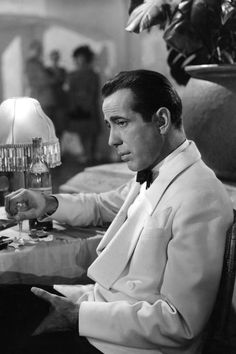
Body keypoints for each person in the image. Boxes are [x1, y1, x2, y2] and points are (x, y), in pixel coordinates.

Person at [4, 70, 233, 354]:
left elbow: (180, 323)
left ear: (161, 120)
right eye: (109, 125)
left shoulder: (200, 196)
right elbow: (102, 204)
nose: (112, 140)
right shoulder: (157, 170)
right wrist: (47, 204)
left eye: (121, 123)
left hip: (124, 345)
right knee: (7, 299)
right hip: (97, 310)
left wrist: (77, 315)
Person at [67, 45, 102, 163]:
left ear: (87, 58)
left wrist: (87, 103)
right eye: (77, 57)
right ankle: (86, 154)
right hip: (77, 106)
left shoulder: (93, 74)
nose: (79, 60)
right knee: (81, 130)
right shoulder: (72, 74)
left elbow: (94, 91)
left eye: (82, 57)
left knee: (92, 131)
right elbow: (70, 91)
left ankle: (91, 154)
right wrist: (74, 104)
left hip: (89, 106)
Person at [25, 40, 56, 119]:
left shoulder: (38, 63)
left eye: (40, 49)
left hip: (43, 98)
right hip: (41, 98)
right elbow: (44, 79)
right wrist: (53, 80)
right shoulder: (32, 64)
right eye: (37, 49)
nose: (39, 52)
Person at [46, 49, 68, 139]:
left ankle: (60, 150)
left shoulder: (62, 70)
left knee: (60, 127)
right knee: (49, 126)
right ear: (50, 58)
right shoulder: (47, 70)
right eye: (53, 56)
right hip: (50, 100)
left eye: (56, 56)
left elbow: (65, 83)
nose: (55, 59)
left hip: (60, 101)